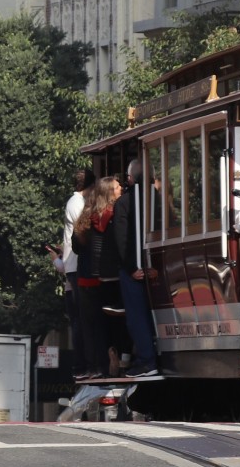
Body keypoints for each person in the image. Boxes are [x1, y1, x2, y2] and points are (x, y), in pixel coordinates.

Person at [111, 158, 161, 377]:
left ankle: (147, 360)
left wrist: (132, 267)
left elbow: (122, 240)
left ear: (131, 179)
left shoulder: (123, 203)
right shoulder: (156, 199)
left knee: (136, 317)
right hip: (155, 267)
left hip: (134, 270)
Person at [71, 176, 123, 381]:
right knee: (106, 324)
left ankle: (93, 366)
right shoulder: (112, 215)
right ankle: (109, 360)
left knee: (89, 325)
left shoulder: (86, 218)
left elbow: (75, 247)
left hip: (84, 277)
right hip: (103, 277)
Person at [51, 169, 95, 375]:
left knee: (80, 317)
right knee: (81, 317)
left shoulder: (74, 202)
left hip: (73, 265)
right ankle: (83, 363)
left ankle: (83, 363)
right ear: (91, 186)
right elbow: (83, 230)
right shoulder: (77, 204)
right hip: (76, 266)